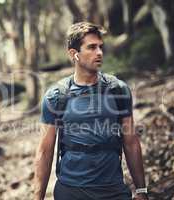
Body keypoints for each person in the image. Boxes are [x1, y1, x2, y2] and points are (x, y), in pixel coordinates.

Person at [34, 22, 148, 200]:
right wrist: (37, 197)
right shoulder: (56, 96)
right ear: (74, 54)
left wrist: (141, 190)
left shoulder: (118, 90)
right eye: (92, 47)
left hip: (113, 190)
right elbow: (45, 151)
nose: (100, 52)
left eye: (101, 47)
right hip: (71, 191)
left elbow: (131, 142)